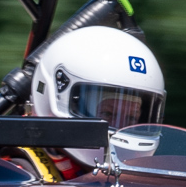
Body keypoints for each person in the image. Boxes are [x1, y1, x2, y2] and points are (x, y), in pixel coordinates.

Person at [24, 25, 167, 178]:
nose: (121, 128)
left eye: (131, 118)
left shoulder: (139, 185)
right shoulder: (17, 179)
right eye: (107, 113)